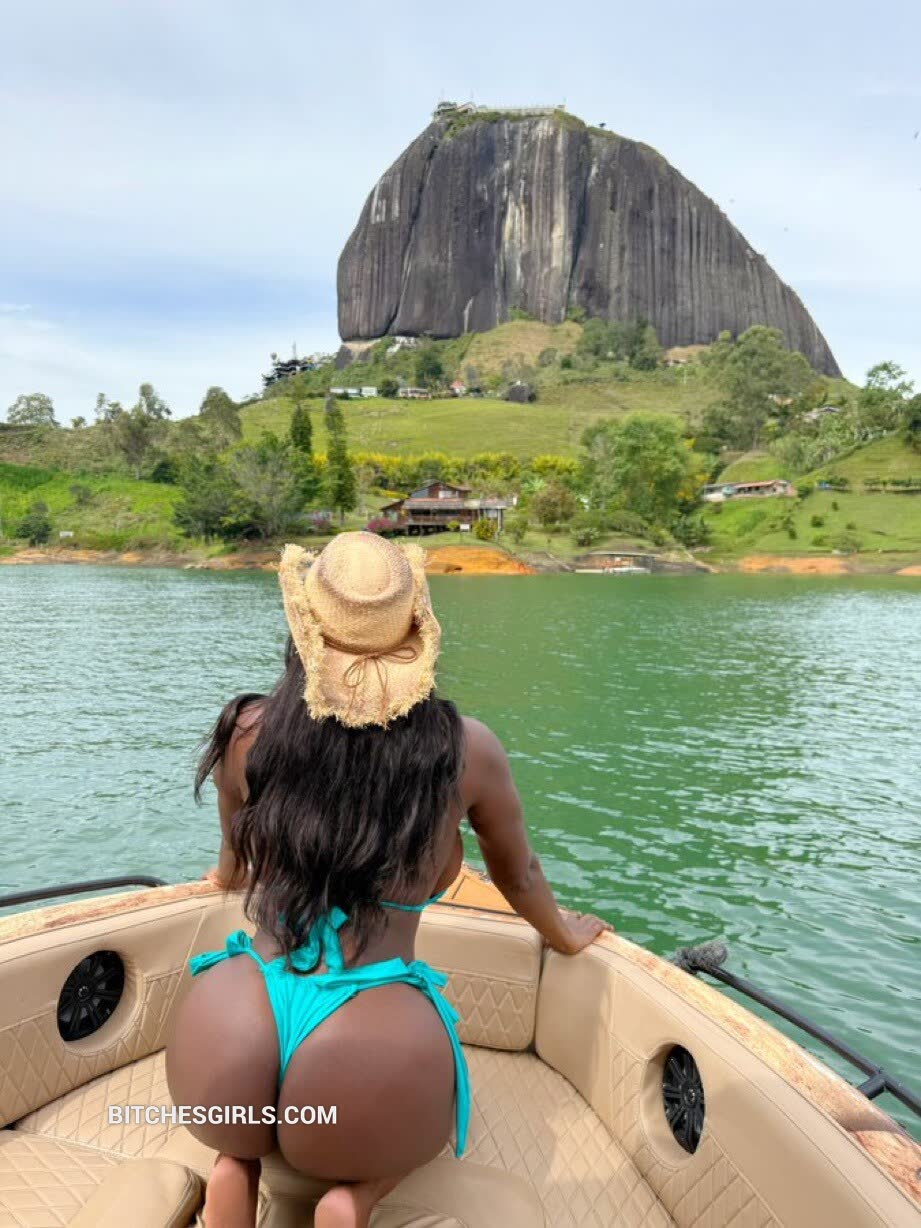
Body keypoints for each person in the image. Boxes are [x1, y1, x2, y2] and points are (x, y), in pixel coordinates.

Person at [166, 532, 609, 1228]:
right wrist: (564, 933)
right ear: (413, 633)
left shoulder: (247, 730)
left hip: (232, 1021)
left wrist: (221, 876)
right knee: (394, 1141)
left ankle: (236, 1167)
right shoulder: (464, 748)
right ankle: (354, 1199)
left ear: (305, 629)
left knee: (237, 1143)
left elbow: (234, 856)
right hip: (367, 1048)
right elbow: (518, 872)